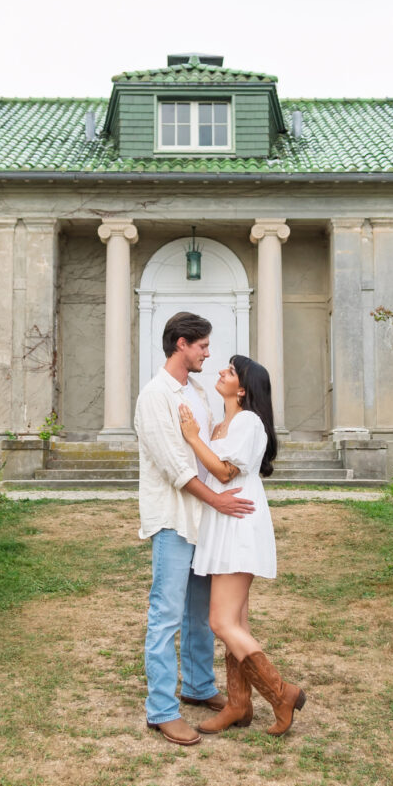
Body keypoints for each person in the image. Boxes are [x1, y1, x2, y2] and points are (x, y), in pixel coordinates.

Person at [134, 313, 256, 747]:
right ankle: (162, 710)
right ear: (182, 344)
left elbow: (211, 452)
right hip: (173, 518)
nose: (208, 353)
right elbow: (174, 466)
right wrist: (219, 500)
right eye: (202, 346)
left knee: (201, 615)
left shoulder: (198, 392)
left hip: (206, 522)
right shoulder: (154, 396)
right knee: (166, 615)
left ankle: (199, 687)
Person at [178, 355, 306, 737]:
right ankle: (238, 704)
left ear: (244, 388)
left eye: (230, 371)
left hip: (238, 524)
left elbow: (224, 471)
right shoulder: (221, 425)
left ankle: (281, 693)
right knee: (236, 623)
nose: (220, 371)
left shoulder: (249, 422)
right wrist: (200, 436)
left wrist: (191, 437)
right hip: (222, 524)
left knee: (220, 621)